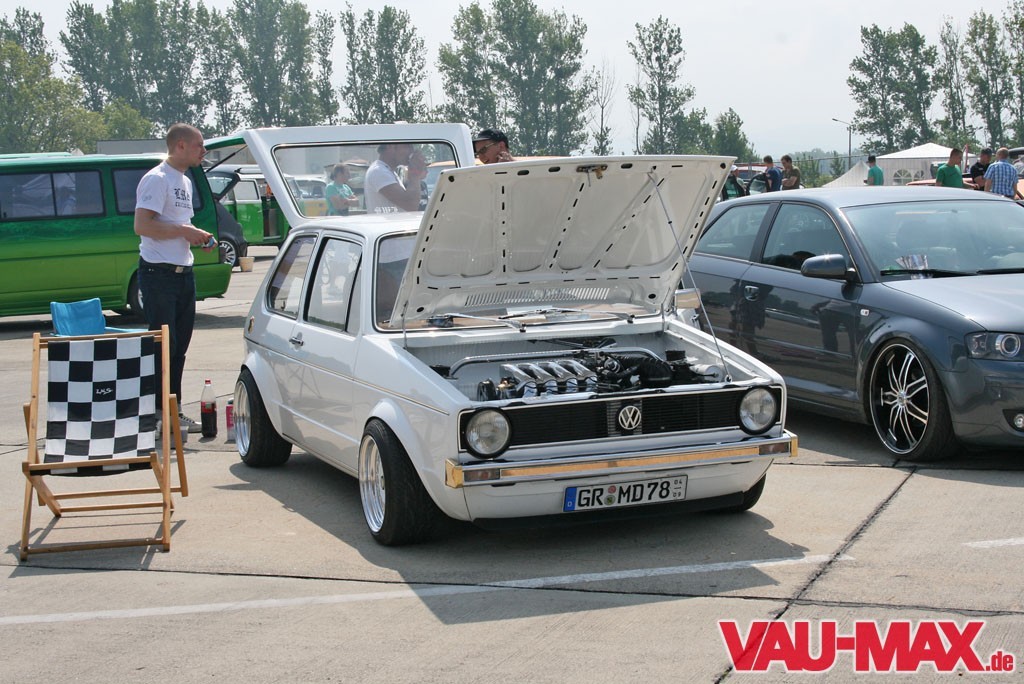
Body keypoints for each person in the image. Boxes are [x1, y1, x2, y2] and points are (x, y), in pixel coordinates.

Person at [134, 123, 216, 437]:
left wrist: (196, 237)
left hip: (183, 273)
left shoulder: (185, 180)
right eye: (199, 145)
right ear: (180, 145)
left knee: (179, 347)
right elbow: (143, 225)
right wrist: (184, 231)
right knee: (163, 347)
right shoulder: (157, 178)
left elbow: (179, 225)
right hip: (158, 273)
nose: (203, 151)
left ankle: (173, 411)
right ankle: (157, 415)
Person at [364, 143, 427, 213]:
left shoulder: (387, 171)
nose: (411, 151)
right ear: (390, 146)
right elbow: (411, 205)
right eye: (407, 146)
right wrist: (415, 173)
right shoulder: (378, 171)